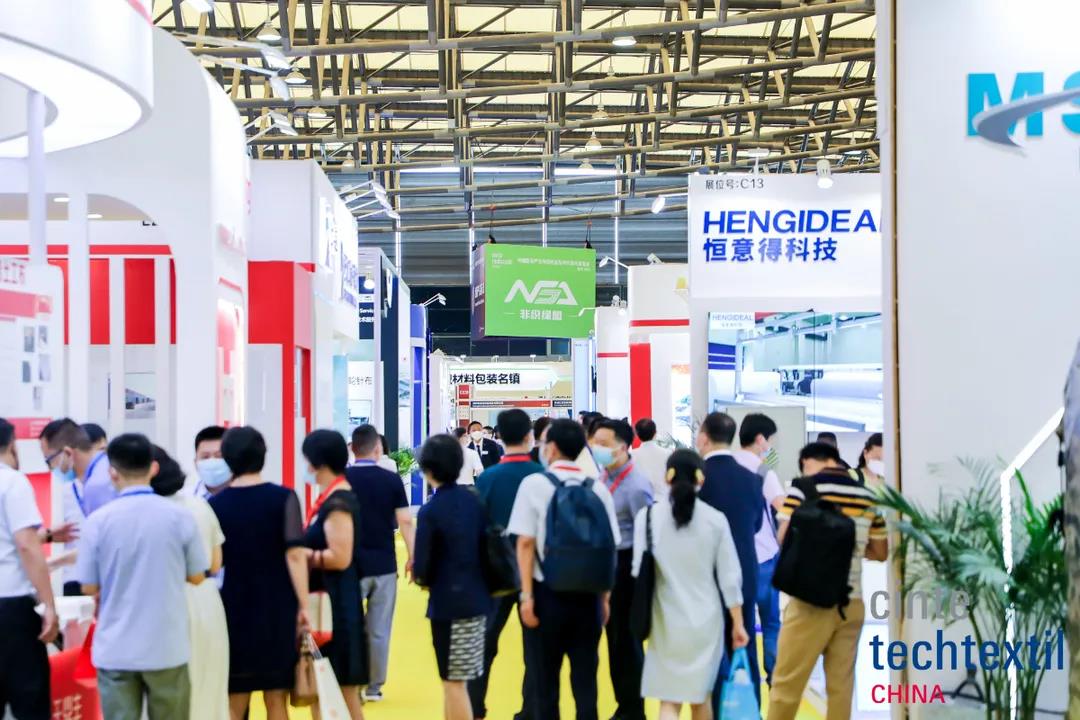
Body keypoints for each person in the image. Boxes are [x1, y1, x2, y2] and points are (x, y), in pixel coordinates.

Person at [75, 433, 208, 720]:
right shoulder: (180, 517)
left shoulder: (97, 522)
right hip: (167, 645)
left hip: (115, 649)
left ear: (112, 472)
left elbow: (88, 586)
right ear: (154, 468)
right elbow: (198, 576)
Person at [507, 419, 620, 720]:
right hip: (589, 595)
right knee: (586, 680)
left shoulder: (534, 485)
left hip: (546, 594)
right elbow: (610, 547)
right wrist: (605, 599)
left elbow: (525, 544)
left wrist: (526, 597)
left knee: (545, 680)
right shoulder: (598, 487)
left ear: (552, 448)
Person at [767, 443, 888, 720]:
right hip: (851, 602)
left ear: (809, 462)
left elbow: (783, 537)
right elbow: (881, 552)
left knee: (786, 686)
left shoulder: (803, 489)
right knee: (841, 689)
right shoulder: (867, 495)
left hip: (809, 603)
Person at [633, 450, 749, 720]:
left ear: (667, 477)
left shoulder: (647, 517)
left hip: (664, 619)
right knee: (701, 698)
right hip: (706, 622)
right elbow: (730, 577)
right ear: (701, 479)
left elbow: (638, 569)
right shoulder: (715, 520)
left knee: (669, 700)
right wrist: (738, 623)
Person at [209, 426, 309, 720]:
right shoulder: (284, 498)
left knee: (235, 699)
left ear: (227, 459)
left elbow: (215, 562)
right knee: (276, 699)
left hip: (233, 605)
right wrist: (304, 604)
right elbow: (294, 554)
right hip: (277, 606)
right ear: (263, 455)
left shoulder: (215, 505)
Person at [468, 409, 543, 720]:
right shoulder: (541, 475)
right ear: (529, 436)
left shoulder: (488, 478)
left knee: (485, 642)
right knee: (535, 648)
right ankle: (531, 709)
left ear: (498, 436)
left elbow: (475, 527)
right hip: (535, 570)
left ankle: (475, 706)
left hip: (494, 571)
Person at [413, 434, 492, 720]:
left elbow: (422, 568)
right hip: (478, 599)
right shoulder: (476, 503)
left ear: (428, 469)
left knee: (453, 683)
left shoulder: (431, 510)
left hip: (447, 603)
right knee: (456, 681)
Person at [150, 446, 229, 720]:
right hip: (207, 599)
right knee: (210, 685)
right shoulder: (199, 505)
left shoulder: (149, 511)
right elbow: (216, 563)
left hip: (167, 600)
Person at [695, 412, 764, 714]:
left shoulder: (698, 479)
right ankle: (750, 710)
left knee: (709, 653)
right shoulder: (752, 479)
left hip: (706, 576)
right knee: (744, 646)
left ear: (704, 438)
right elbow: (757, 525)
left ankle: (715, 711)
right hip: (744, 574)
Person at [345, 424, 415, 703]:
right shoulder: (391, 479)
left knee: (350, 626)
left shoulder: (343, 479)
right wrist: (413, 556)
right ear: (378, 448)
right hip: (384, 563)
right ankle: (374, 686)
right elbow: (405, 521)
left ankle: (352, 682)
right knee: (379, 629)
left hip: (350, 565)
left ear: (353, 448)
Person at [302, 430, 368, 719]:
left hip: (337, 606)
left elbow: (340, 557)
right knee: (326, 687)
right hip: (328, 602)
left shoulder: (338, 502)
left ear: (318, 462)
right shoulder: (331, 498)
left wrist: (301, 554)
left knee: (341, 689)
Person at [591, 418, 653, 720]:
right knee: (613, 640)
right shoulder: (603, 476)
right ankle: (624, 705)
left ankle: (633, 709)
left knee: (627, 642)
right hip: (606, 564)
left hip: (627, 568)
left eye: (605, 444)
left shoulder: (637, 486)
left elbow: (646, 535)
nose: (598, 448)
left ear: (624, 447)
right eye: (595, 443)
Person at [0, 418, 59, 720]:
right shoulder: (12, 482)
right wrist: (48, 604)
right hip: (9, 607)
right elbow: (26, 545)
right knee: (29, 701)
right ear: (12, 445)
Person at [734, 413, 786, 686]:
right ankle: (773, 675)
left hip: (733, 555)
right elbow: (783, 508)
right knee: (770, 621)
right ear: (759, 438)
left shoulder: (728, 465)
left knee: (740, 619)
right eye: (770, 440)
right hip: (764, 554)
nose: (770, 445)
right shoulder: (764, 472)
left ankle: (744, 674)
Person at [40, 418, 115, 516]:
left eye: (49, 460)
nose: (51, 467)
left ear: (67, 453)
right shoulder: (103, 470)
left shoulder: (99, 483)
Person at [632, 418, 672, 500]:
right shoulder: (668, 453)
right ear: (655, 433)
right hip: (663, 498)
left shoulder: (632, 455)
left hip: (641, 499)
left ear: (637, 434)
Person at [187, 425, 229, 499]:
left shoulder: (246, 497)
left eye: (219, 456)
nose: (212, 461)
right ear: (195, 463)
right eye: (205, 457)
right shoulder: (184, 498)